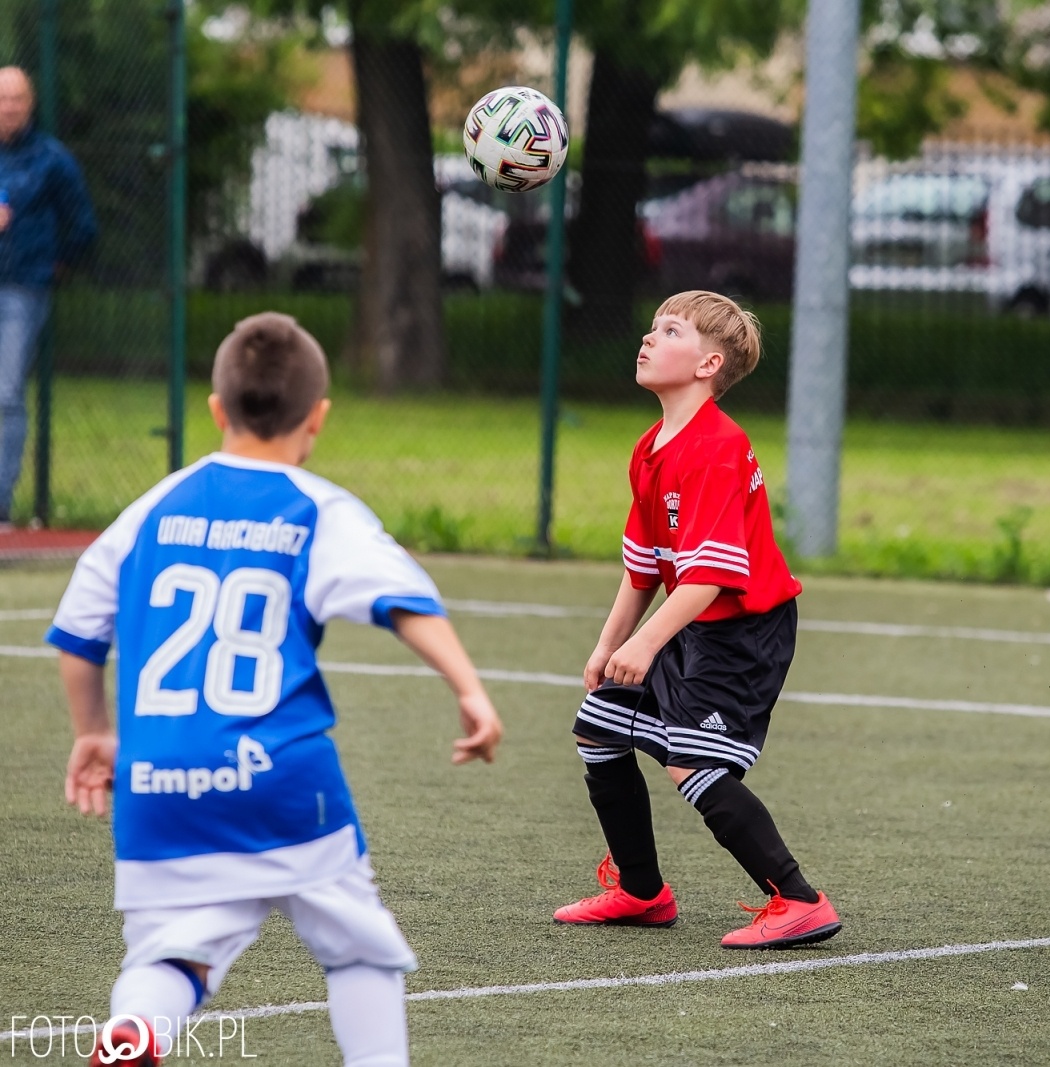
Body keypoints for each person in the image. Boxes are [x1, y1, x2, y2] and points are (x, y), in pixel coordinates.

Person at [47, 312, 503, 1065]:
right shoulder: (316, 508)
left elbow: (77, 632)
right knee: (359, 950)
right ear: (318, 418)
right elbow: (404, 601)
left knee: (170, 958)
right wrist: (470, 688)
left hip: (158, 782)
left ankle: (136, 1029)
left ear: (216, 410)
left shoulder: (148, 510)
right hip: (281, 778)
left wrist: (93, 731)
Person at [554, 290, 841, 949]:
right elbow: (644, 569)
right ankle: (641, 890)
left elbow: (710, 577)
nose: (648, 338)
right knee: (598, 729)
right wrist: (608, 646)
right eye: (651, 326)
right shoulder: (651, 446)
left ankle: (798, 899)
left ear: (709, 362)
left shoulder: (717, 445)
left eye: (670, 329)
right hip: (692, 621)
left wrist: (647, 640)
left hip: (742, 631)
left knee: (692, 764)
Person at [0, 65, 96, 529]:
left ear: (30, 103)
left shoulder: (51, 159)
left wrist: (52, 266)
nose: (9, 107)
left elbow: (82, 224)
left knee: (6, 394)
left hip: (22, 288)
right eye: (2, 98)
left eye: (16, 99)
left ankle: (0, 506)